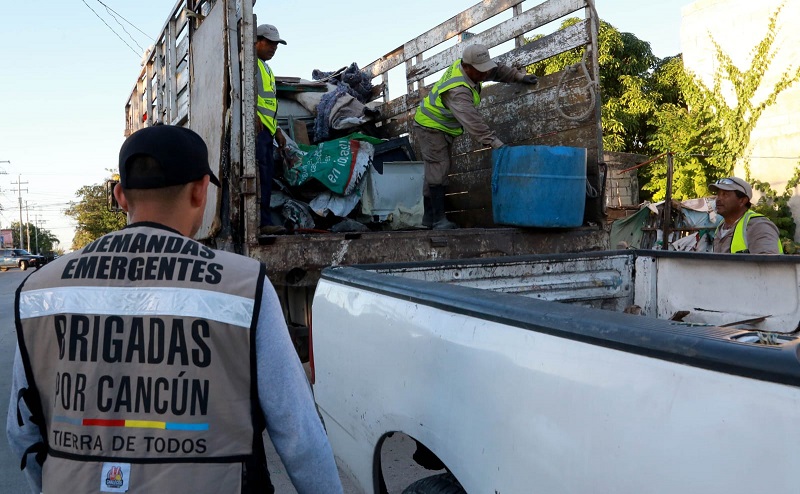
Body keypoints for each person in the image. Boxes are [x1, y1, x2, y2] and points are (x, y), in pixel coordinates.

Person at [6, 125, 343, 493]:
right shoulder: (243, 285)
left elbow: (22, 432)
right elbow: (298, 432)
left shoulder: (39, 290)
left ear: (120, 196)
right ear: (200, 190)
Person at [413, 43, 539, 229]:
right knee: (439, 168)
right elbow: (473, 122)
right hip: (430, 126)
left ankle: (429, 219)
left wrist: (518, 76)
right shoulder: (457, 90)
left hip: (441, 127)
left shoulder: (472, 67)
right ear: (466, 67)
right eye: (480, 71)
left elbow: (495, 70)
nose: (485, 75)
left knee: (436, 169)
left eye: (485, 69)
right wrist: (494, 143)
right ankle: (438, 219)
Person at [255, 24, 288, 235]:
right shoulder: (250, 65)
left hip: (266, 132)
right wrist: (252, 117)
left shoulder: (266, 68)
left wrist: (278, 131)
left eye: (276, 44)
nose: (274, 47)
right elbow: (242, 94)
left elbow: (269, 105)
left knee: (266, 177)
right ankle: (260, 223)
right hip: (256, 132)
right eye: (269, 42)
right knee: (259, 177)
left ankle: (264, 222)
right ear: (256, 40)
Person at [710, 176, 783, 254]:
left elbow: (767, 263)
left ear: (742, 201)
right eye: (718, 194)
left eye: (725, 194)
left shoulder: (758, 225)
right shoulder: (721, 227)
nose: (718, 199)